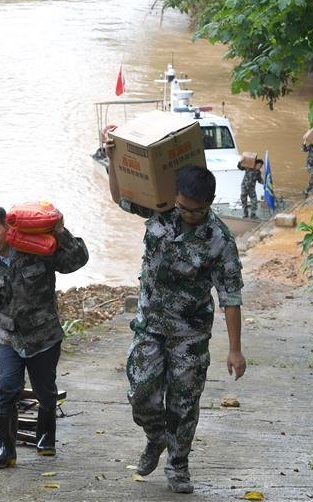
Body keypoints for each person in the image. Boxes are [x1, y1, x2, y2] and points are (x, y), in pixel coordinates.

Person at [107, 157, 246, 494]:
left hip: (189, 332)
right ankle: (156, 439)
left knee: (183, 404)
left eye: (194, 211)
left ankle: (178, 465)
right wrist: (113, 158)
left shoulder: (220, 240)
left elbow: (230, 295)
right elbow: (119, 196)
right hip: (150, 324)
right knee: (141, 394)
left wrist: (235, 349)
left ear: (209, 205)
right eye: (182, 207)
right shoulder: (160, 211)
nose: (186, 214)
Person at [0, 206, 89, 469]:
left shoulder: (37, 250)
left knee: (45, 391)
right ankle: (6, 450)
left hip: (44, 336)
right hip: (10, 339)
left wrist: (60, 232)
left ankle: (46, 437)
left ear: (8, 227)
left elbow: (76, 261)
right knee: (6, 391)